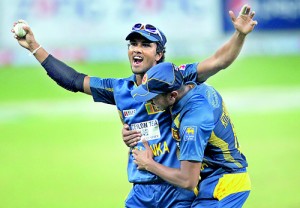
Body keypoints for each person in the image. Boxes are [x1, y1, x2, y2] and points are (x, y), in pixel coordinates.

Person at [12, 4, 257, 208]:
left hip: (178, 190)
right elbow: (75, 81)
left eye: (145, 44)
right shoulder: (120, 89)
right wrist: (35, 47)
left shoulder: (179, 77)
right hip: (141, 190)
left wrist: (240, 35)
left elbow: (219, 61)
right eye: (133, 44)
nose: (136, 49)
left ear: (159, 54)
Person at [131, 62, 251, 208]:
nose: (150, 101)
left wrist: (149, 164)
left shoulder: (193, 122)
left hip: (224, 187)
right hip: (212, 181)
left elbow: (188, 181)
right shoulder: (190, 85)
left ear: (172, 95)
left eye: (153, 97)